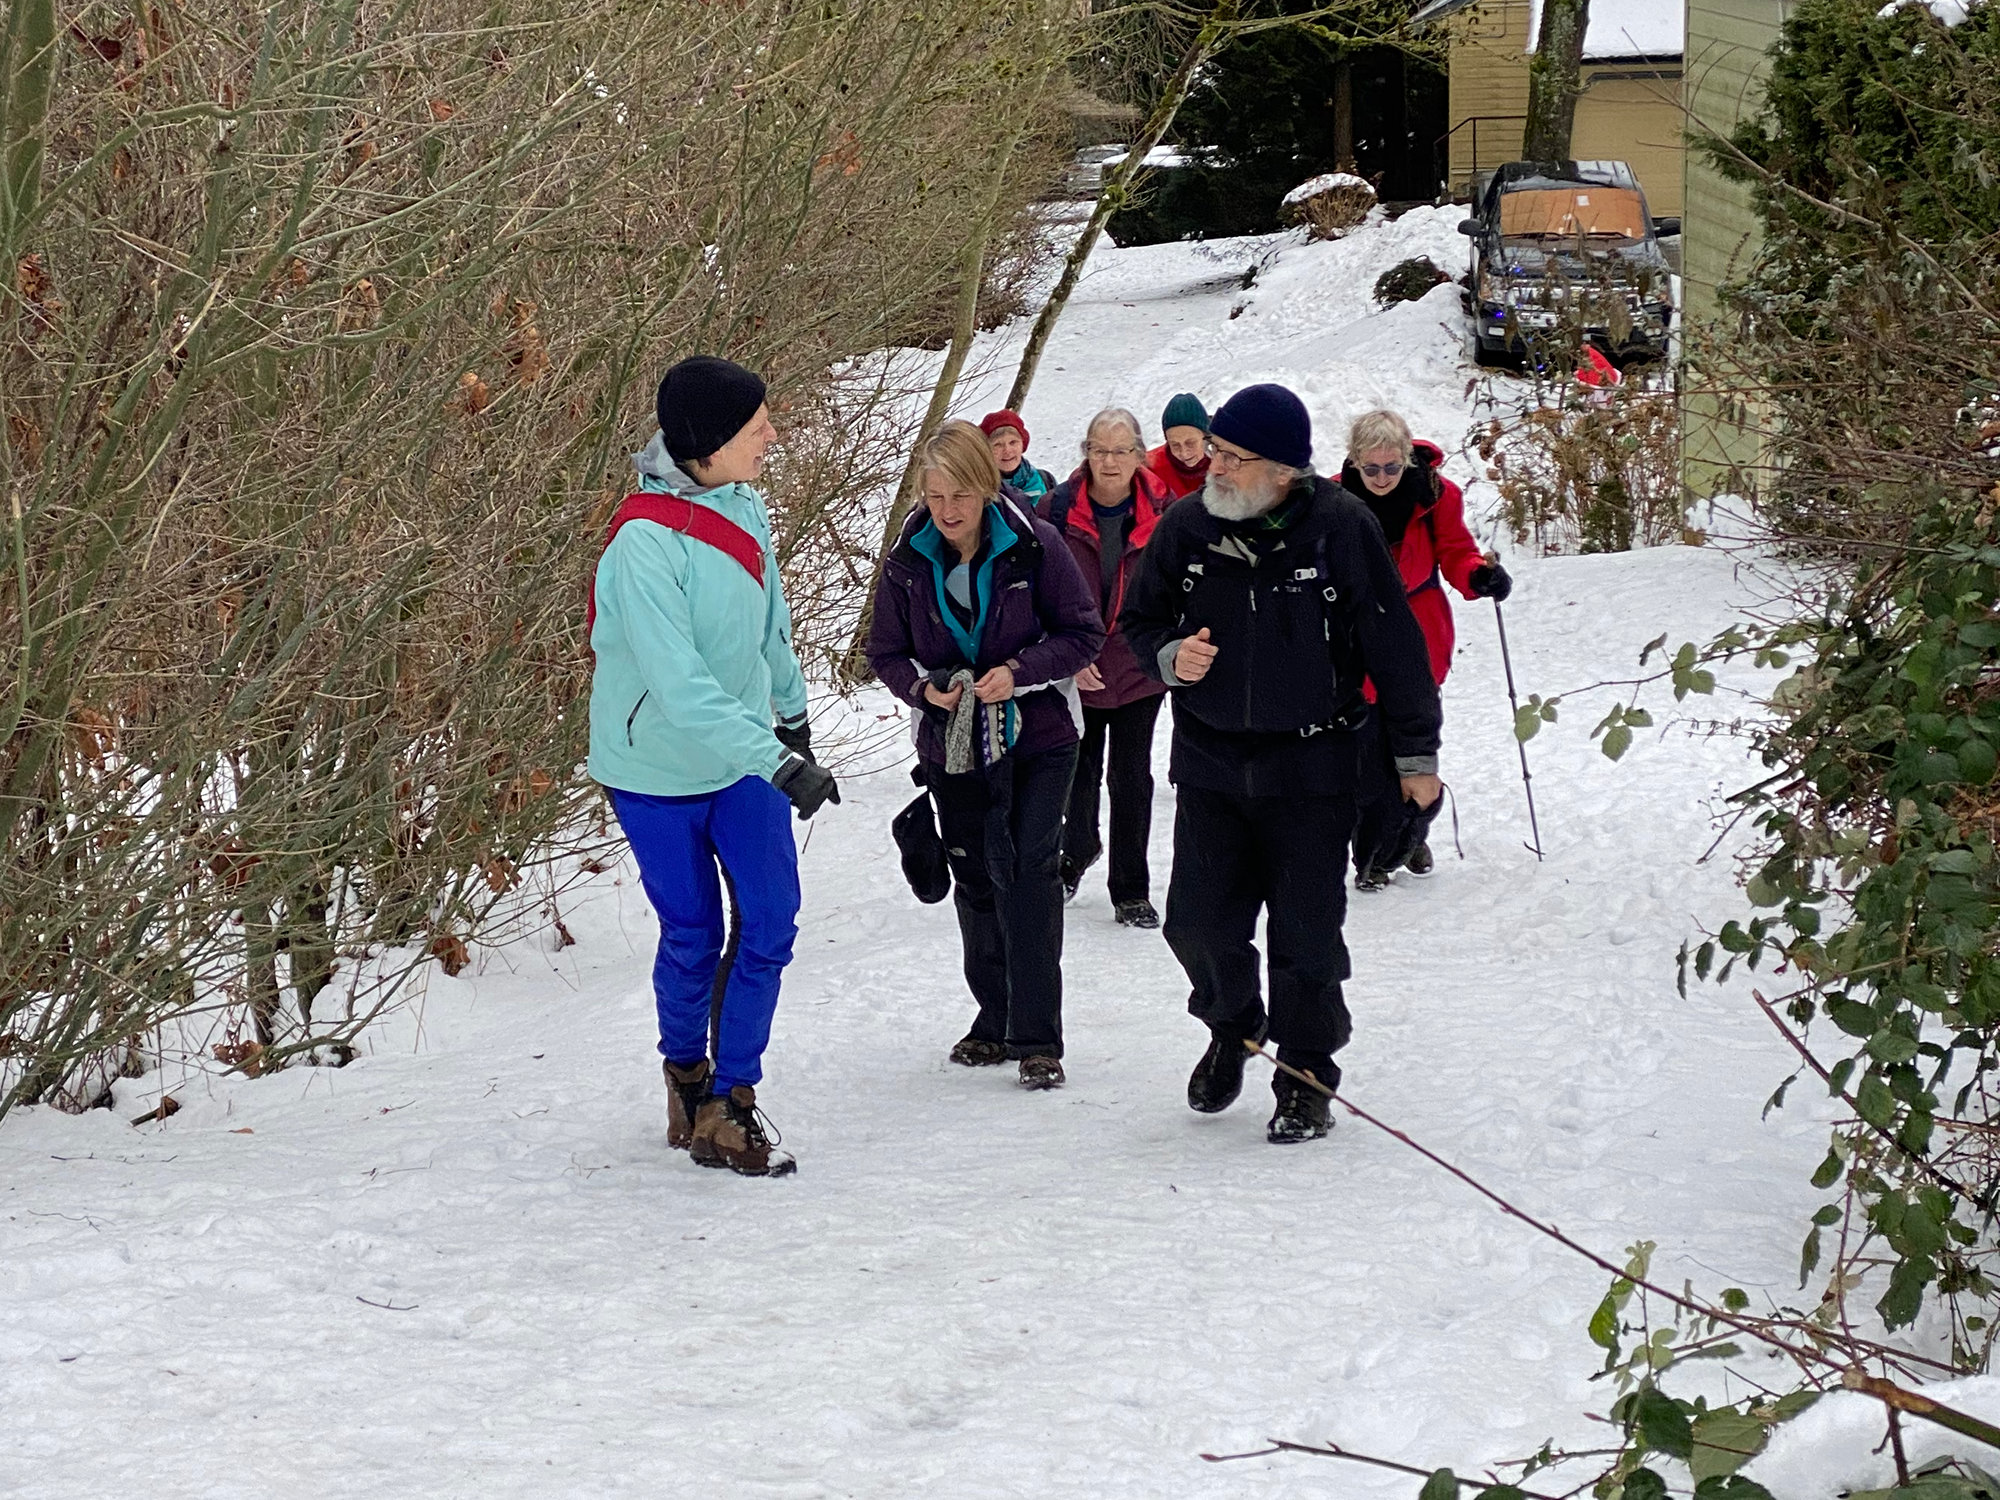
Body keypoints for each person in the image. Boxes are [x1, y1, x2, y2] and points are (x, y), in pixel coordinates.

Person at [1120, 383, 1442, 1144]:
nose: (1216, 468)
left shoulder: (1340, 528)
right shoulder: (1186, 527)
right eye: (1216, 452)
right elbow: (1139, 619)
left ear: (1286, 470)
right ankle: (1232, 1025)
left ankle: (1304, 1075)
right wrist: (1169, 655)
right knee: (1197, 925)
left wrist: (1415, 756)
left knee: (1307, 937)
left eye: (1234, 457)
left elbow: (1396, 650)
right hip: (1210, 761)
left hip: (1315, 765)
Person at [587, 355, 840, 1178]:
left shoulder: (746, 505)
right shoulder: (641, 547)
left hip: (740, 761)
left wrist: (793, 718)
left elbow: (773, 627)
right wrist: (775, 757)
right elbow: (681, 688)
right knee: (693, 933)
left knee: (770, 921)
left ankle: (732, 1103)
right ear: (706, 443)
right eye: (755, 423)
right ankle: (685, 1077)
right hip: (655, 770)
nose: (771, 432)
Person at [866, 421, 1105, 1090]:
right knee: (973, 874)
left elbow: (1083, 633)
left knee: (1028, 872)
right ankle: (992, 1020)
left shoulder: (1036, 545)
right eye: (936, 496)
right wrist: (922, 687)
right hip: (954, 743)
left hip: (1040, 737)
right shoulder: (907, 560)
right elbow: (883, 651)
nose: (948, 511)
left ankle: (1037, 1038)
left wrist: (1021, 669)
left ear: (988, 487)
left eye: (961, 496)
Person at [1339, 409, 1511, 891]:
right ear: (1354, 462)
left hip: (1418, 635)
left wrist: (1478, 575)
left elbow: (1455, 550)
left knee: (1412, 749)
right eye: (1370, 469)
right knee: (1367, 757)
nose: (1381, 478)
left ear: (1406, 459)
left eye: (1391, 468)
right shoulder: (1333, 501)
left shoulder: (1436, 495)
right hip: (1358, 641)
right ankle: (1374, 852)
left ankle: (1405, 836)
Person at [1039, 408, 1174, 928]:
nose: (1109, 461)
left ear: (1139, 455)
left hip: (1140, 666)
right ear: (1085, 452)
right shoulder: (1054, 511)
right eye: (1099, 449)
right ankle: (1076, 850)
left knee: (1131, 778)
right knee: (1077, 770)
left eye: (1120, 451)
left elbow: (1178, 592)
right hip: (1078, 664)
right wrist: (1069, 657)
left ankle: (1131, 890)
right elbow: (1038, 592)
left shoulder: (1166, 511)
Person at [979, 409, 1056, 501]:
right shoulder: (978, 489)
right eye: (997, 444)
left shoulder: (1046, 480)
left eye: (1013, 442)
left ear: (1023, 444)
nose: (1007, 451)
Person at [1146, 392, 1211, 500]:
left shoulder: (1224, 457)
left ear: (1205, 436)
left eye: (1190, 443)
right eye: (1175, 445)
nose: (1184, 452)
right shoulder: (1152, 468)